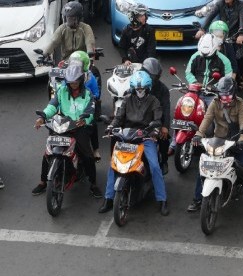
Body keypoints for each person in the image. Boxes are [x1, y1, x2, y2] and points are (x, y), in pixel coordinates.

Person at [98, 71, 169, 216]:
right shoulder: (127, 99)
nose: (140, 91)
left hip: (145, 137)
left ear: (148, 88)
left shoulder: (154, 101)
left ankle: (162, 200)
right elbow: (118, 117)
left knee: (155, 166)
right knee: (114, 165)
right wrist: (112, 126)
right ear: (133, 89)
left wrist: (154, 129)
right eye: (138, 89)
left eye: (142, 89)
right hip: (127, 136)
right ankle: (108, 198)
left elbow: (158, 119)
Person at [188, 76, 243, 219]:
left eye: (228, 94)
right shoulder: (214, 103)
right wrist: (198, 134)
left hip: (236, 140)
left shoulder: (241, 104)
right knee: (204, 168)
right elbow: (207, 119)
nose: (225, 97)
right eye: (222, 94)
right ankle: (197, 199)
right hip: (218, 141)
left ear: (234, 93)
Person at [32, 63, 102, 198]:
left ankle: (93, 184)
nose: (73, 84)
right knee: (48, 151)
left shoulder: (88, 94)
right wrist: (43, 117)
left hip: (79, 126)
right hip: (63, 125)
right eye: (70, 81)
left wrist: (84, 119)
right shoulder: (61, 91)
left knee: (87, 155)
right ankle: (43, 182)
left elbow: (91, 111)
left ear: (81, 80)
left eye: (75, 81)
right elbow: (52, 106)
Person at [195, 0, 243, 90]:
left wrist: (242, 34)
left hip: (235, 35)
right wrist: (202, 29)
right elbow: (210, 16)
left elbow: (242, 20)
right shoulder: (219, 4)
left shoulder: (242, 4)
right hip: (221, 34)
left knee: (240, 57)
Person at [69, 50, 101, 162]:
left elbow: (97, 93)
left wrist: (89, 97)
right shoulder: (69, 75)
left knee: (92, 123)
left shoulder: (90, 78)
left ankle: (96, 149)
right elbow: (63, 87)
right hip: (71, 108)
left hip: (86, 105)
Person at [141, 57, 171, 175]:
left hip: (156, 121)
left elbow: (166, 108)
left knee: (164, 138)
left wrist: (165, 126)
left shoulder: (163, 89)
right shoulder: (137, 85)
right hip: (139, 120)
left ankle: (164, 161)